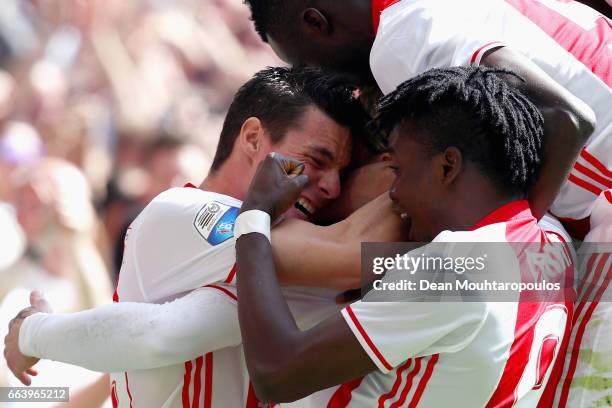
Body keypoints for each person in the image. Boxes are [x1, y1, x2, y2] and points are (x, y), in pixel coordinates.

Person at [242, 1, 609, 405]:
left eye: (396, 170)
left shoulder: (401, 38)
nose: (393, 195)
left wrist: (254, 217)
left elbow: (566, 115)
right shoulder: (549, 243)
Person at [3, 66, 405, 407]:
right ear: (252, 138)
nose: (332, 187)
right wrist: (418, 168)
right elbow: (353, 255)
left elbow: (181, 329)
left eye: (343, 172)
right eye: (316, 161)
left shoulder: (277, 257)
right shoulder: (182, 212)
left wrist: (37, 333)